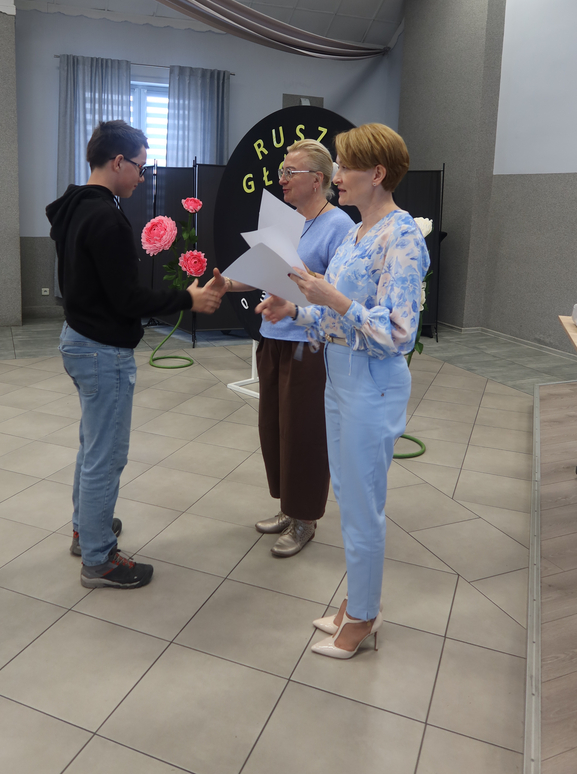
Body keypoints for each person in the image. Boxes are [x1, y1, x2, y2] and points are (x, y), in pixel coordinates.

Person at [257, 124, 429, 655]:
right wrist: (296, 310)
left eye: (346, 167)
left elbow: (398, 332)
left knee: (362, 505)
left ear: (377, 174)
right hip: (339, 376)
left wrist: (331, 298)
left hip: (371, 384)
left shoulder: (401, 234)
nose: (338, 176)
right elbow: (335, 320)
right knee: (351, 499)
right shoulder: (357, 234)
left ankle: (363, 617)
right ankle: (358, 602)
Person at [46, 120, 221, 589]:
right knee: (106, 456)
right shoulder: (106, 217)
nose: (143, 178)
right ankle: (99, 559)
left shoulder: (75, 206)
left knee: (93, 446)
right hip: (101, 349)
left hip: (78, 337)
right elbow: (126, 298)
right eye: (141, 168)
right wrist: (187, 299)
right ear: (118, 161)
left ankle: (87, 529)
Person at [210, 140, 352, 556]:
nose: (282, 179)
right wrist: (227, 283)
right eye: (281, 171)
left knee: (304, 433)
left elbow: (339, 291)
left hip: (310, 344)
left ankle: (305, 517)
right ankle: (289, 507)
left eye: (291, 172)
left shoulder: (339, 226)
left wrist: (303, 275)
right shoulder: (288, 220)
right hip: (273, 338)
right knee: (275, 429)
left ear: (318, 180)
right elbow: (263, 270)